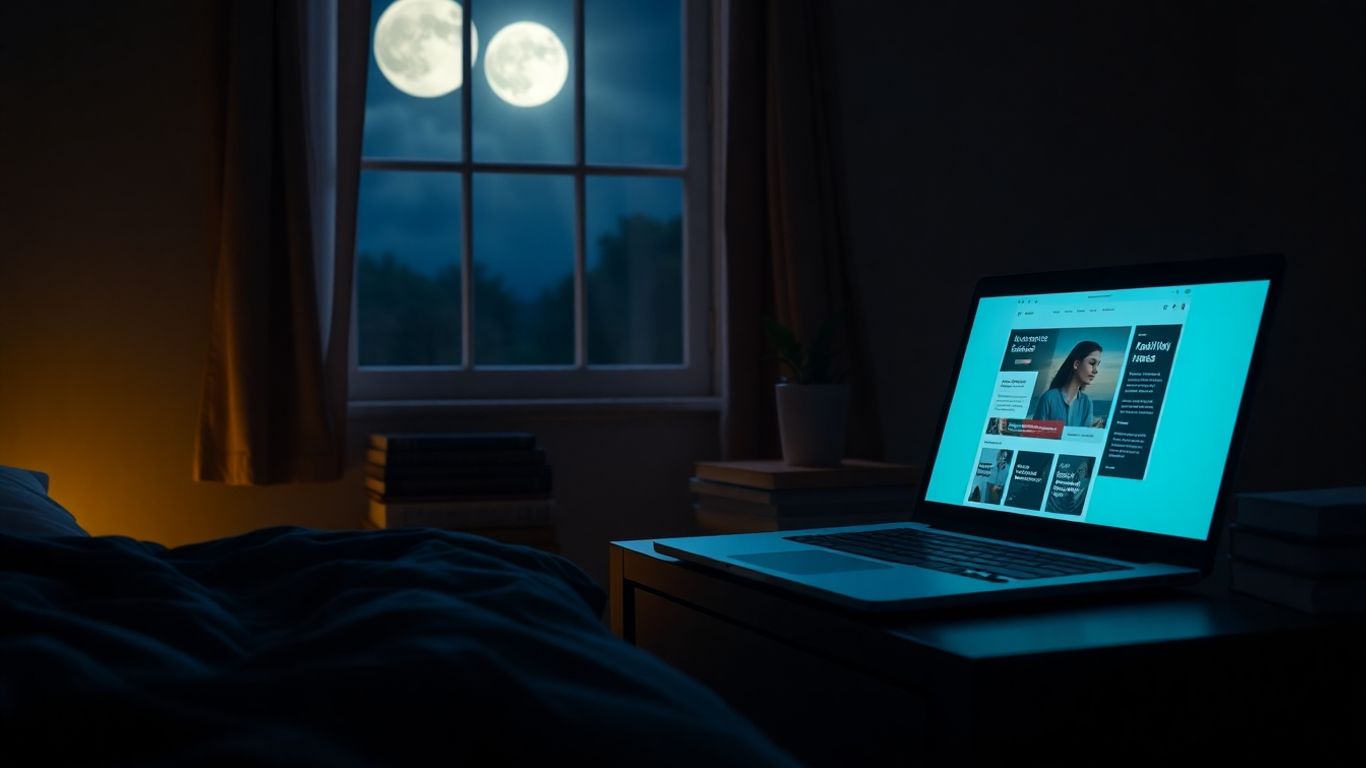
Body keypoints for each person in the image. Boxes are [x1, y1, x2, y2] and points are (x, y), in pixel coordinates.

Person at [1032, 341, 1107, 428]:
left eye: (1097, 365)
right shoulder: (1049, 398)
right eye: (1092, 363)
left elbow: (1083, 436)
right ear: (1076, 364)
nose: (1095, 370)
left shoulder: (1087, 402)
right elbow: (1036, 434)